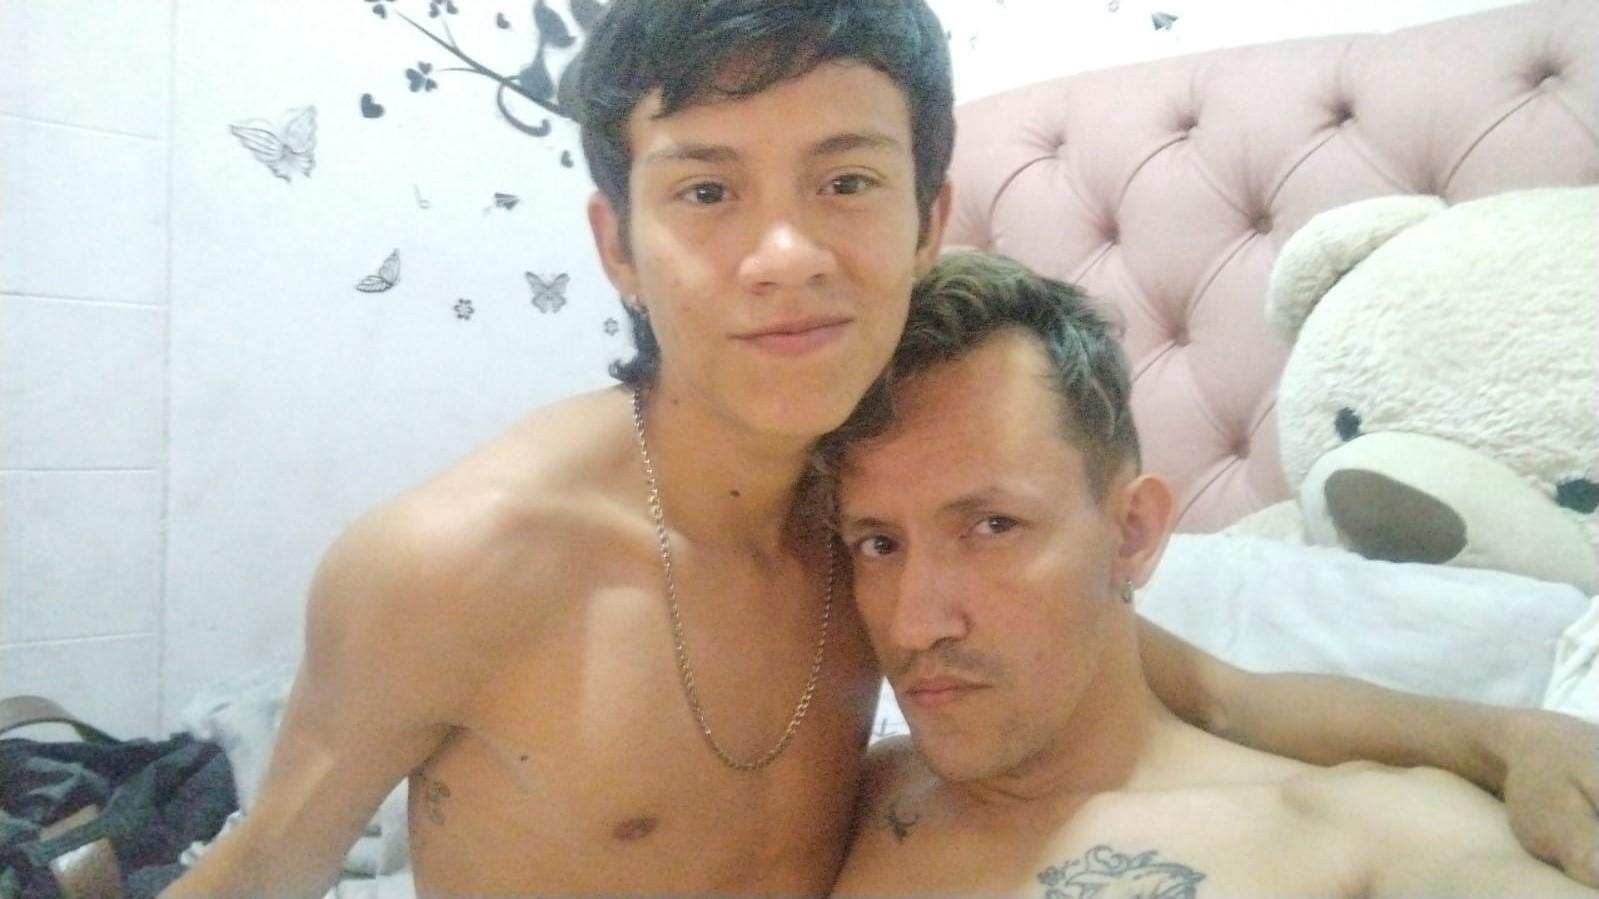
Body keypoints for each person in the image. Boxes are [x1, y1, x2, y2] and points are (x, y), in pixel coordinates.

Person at [164, 2, 1599, 896]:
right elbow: (266, 861)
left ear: (926, 220)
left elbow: (1213, 687)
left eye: (846, 179)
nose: (786, 253)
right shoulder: (458, 562)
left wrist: (1511, 734)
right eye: (706, 191)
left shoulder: (876, 536)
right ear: (617, 245)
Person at [827, 252, 1599, 898]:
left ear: (1133, 533)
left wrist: (1511, 741)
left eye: (993, 527)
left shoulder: (1360, 837)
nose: (914, 624)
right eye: (877, 543)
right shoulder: (832, 798)